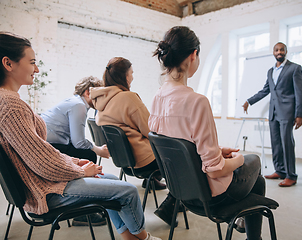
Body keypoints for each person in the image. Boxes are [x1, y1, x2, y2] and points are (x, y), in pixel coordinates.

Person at [0, 31, 161, 240]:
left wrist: (77, 163)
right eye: (31, 62)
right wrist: (80, 171)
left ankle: (131, 237)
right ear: (8, 63)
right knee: (128, 191)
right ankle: (143, 238)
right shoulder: (11, 106)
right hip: (46, 190)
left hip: (45, 182)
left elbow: (42, 152)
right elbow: (42, 162)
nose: (37, 69)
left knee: (110, 177)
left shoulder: (9, 102)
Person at [149, 26, 269, 240]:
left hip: (181, 192)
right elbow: (215, 171)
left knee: (258, 182)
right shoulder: (197, 102)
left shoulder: (157, 98)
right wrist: (239, 160)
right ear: (194, 54)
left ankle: (251, 233)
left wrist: (217, 150)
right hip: (211, 196)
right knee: (254, 161)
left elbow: (180, 146)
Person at [90, 57, 181, 226]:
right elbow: (150, 130)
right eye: (131, 73)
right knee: (182, 159)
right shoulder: (127, 97)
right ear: (124, 76)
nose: (132, 77)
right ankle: (172, 204)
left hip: (126, 162)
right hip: (144, 160)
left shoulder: (101, 103)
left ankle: (179, 200)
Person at [242, 42, 302, 187]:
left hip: (288, 113)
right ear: (273, 52)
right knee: (276, 143)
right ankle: (280, 171)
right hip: (273, 113)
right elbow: (265, 90)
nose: (279, 52)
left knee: (287, 143)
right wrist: (249, 101)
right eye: (276, 50)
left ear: (286, 51)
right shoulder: (271, 71)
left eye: (282, 49)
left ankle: (291, 175)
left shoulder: (294, 68)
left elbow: (300, 93)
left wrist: (299, 114)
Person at [41, 76, 109, 165]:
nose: (102, 100)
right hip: (48, 146)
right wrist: (99, 150)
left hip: (48, 143)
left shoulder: (74, 101)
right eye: (100, 95)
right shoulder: (79, 106)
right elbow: (79, 142)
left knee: (86, 152)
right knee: (89, 155)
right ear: (88, 93)